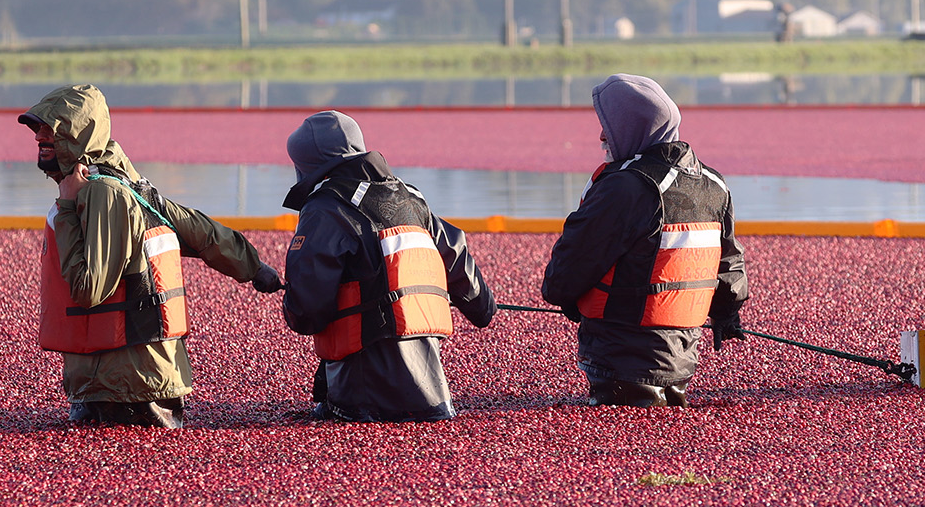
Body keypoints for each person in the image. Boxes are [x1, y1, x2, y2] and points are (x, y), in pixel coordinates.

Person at [20, 84, 283, 428]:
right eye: (37, 127)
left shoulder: (104, 194)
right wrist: (254, 268)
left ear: (78, 136)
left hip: (125, 386)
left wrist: (67, 208)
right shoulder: (126, 183)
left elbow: (89, 289)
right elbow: (199, 230)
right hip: (130, 379)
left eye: (50, 128)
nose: (39, 136)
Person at [541, 73, 748, 407]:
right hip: (682, 363)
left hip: (619, 361)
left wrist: (567, 296)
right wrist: (727, 314)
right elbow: (729, 265)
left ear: (632, 127)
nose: (601, 135)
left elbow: (567, 269)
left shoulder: (627, 187)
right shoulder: (713, 184)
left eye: (608, 125)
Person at [280, 111, 496, 422]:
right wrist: (483, 307)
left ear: (307, 164)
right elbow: (458, 259)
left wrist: (291, 303)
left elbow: (306, 311)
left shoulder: (326, 207)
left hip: (361, 399)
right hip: (434, 397)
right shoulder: (411, 197)